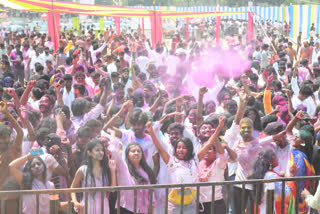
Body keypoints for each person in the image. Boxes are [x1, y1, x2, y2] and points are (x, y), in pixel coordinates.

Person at [146, 117, 225, 213]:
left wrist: (219, 128)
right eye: (178, 147)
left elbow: (208, 144)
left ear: (189, 149)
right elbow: (160, 148)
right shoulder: (171, 161)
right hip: (174, 204)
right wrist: (151, 132)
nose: (180, 150)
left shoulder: (195, 160)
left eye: (183, 147)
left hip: (191, 203)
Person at [71, 139, 117, 214]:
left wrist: (112, 171)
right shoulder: (83, 170)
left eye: (102, 150)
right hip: (87, 206)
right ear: (89, 153)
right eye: (97, 150)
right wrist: (75, 202)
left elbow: (112, 189)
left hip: (103, 207)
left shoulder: (106, 169)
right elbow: (72, 188)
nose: (101, 152)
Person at [250, 149, 297, 214]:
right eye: (274, 156)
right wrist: (291, 178)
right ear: (270, 162)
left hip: (261, 209)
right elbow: (286, 191)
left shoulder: (261, 174)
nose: (277, 158)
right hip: (269, 209)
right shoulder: (271, 176)